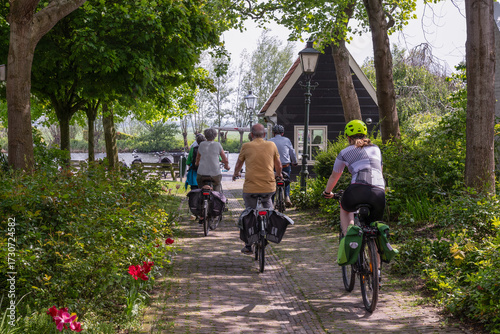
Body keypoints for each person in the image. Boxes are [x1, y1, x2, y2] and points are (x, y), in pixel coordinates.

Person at [322, 119, 386, 236]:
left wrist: (328, 192)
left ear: (348, 138)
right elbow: (380, 172)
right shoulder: (376, 149)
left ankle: (349, 236)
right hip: (379, 192)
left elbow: (334, 176)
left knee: (345, 208)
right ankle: (377, 253)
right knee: (374, 231)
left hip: (358, 188)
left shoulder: (344, 153)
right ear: (365, 135)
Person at [233, 123, 282, 254]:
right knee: (269, 206)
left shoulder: (246, 146)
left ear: (252, 135)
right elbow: (278, 165)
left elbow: (238, 164)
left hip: (250, 188)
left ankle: (248, 245)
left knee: (249, 211)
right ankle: (268, 231)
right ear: (264, 135)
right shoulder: (271, 145)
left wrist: (235, 173)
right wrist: (279, 175)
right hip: (268, 186)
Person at [268, 124, 298, 207]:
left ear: (273, 133)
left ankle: (271, 202)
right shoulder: (287, 140)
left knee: (272, 183)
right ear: (282, 133)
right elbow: (292, 152)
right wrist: (294, 162)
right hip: (285, 165)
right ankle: (287, 196)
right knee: (287, 180)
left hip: (273, 166)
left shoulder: (269, 141)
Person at [195, 128, 230, 192]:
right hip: (215, 174)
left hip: (202, 173)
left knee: (200, 187)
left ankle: (200, 198)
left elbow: (198, 158)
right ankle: (217, 196)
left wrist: (197, 163)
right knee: (217, 185)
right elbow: (225, 159)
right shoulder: (218, 145)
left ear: (205, 135)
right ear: (215, 135)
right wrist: (226, 166)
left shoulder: (201, 144)